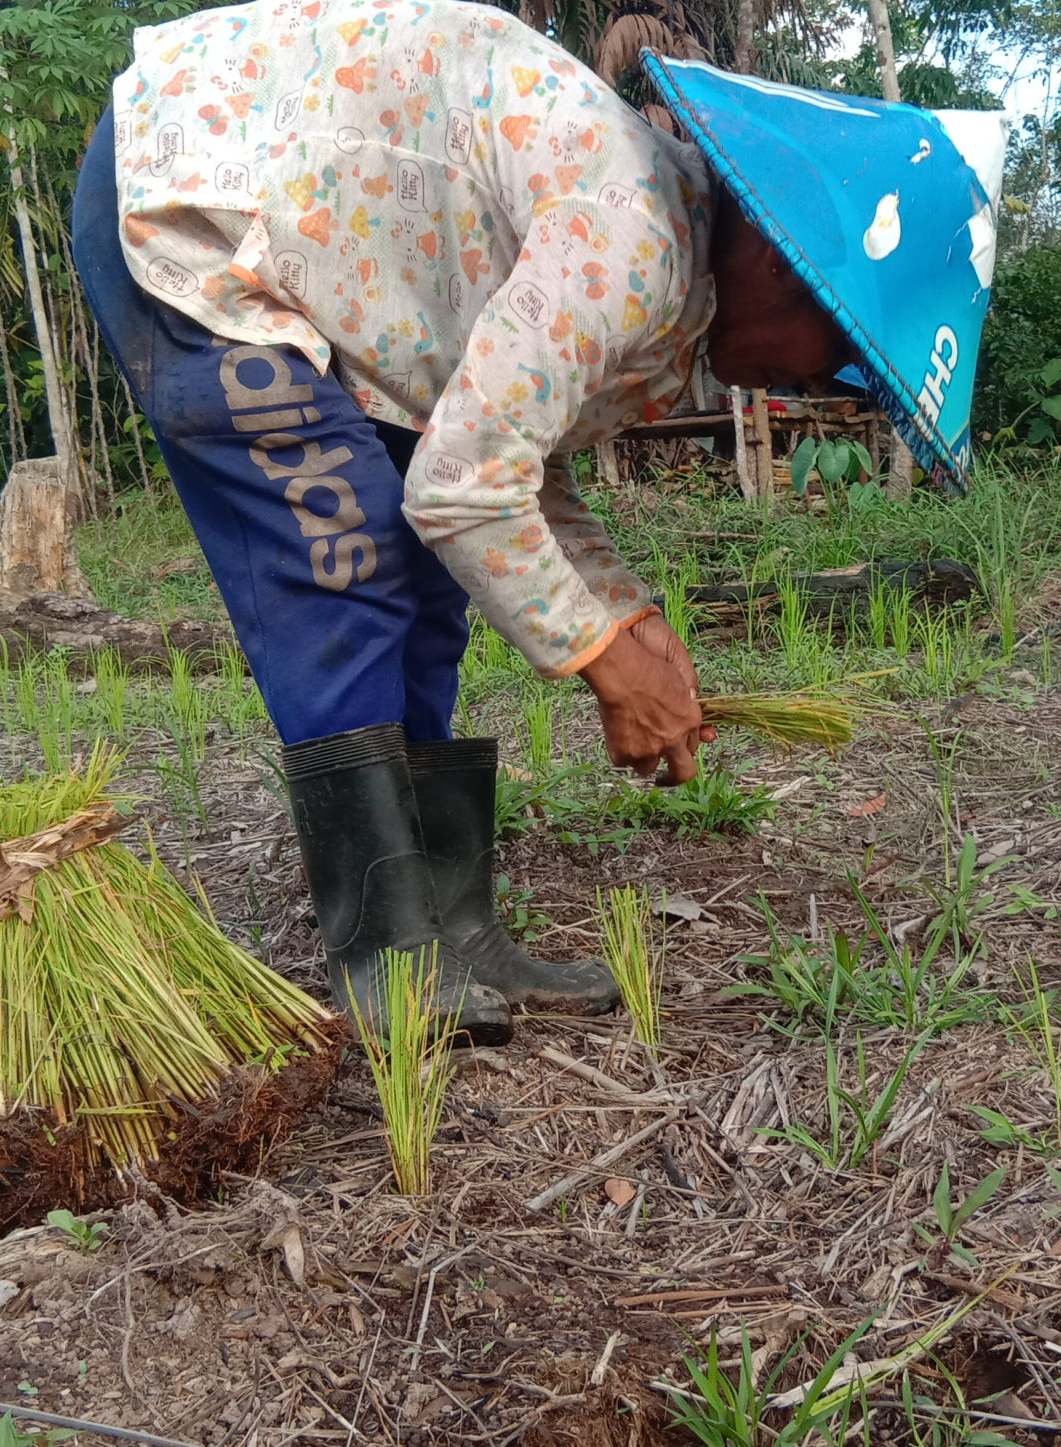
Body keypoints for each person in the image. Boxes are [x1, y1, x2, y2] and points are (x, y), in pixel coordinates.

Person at [73, 0, 1002, 1045]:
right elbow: (464, 488)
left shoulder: (671, 267)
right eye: (839, 353)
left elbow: (512, 460)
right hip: (192, 203)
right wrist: (607, 664)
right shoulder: (630, 239)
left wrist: (626, 614)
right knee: (345, 552)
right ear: (791, 267)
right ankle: (387, 955)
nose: (822, 384)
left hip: (319, 256)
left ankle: (453, 930)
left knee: (427, 577)